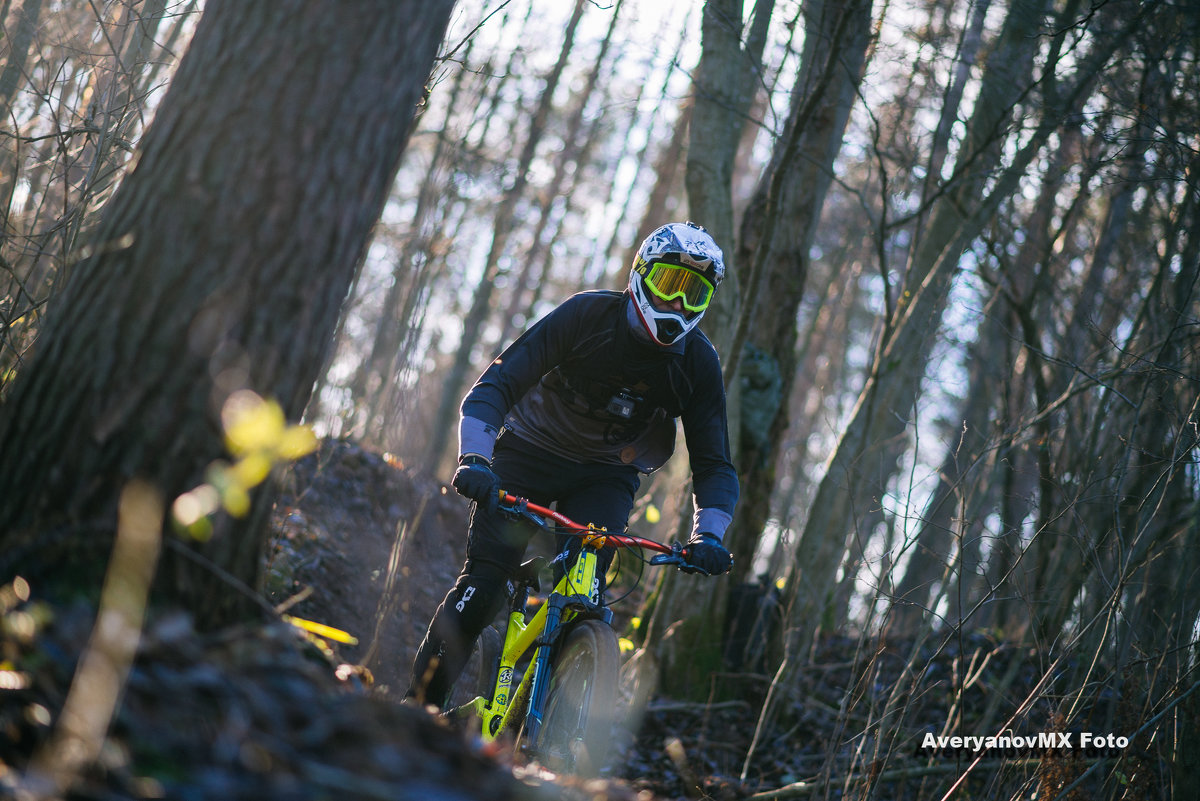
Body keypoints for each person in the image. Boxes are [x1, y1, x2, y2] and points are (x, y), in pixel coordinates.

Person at [407, 221, 739, 708]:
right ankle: (418, 707)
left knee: (585, 597)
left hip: (606, 474)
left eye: (694, 294)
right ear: (640, 277)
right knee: (483, 586)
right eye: (669, 284)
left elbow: (715, 463)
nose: (677, 305)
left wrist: (707, 536)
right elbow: (495, 385)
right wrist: (475, 458)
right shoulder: (587, 315)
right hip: (528, 453)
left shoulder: (697, 362)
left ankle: (547, 726)